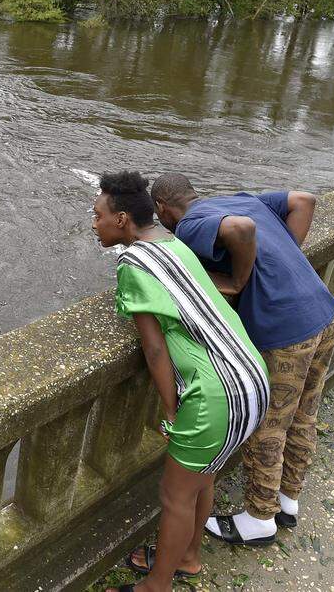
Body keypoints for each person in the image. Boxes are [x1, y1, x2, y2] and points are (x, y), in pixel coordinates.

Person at [93, 171, 269, 592]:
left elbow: (155, 351)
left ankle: (157, 585)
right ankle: (188, 557)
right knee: (202, 477)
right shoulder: (174, 244)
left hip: (214, 395)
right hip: (252, 377)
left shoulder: (133, 263)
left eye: (98, 215)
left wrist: (173, 409)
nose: (93, 223)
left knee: (175, 498)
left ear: (121, 220)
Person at [150, 173, 334, 547]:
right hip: (323, 312)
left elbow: (242, 230)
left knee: (268, 422)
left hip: (285, 329)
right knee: (304, 413)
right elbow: (304, 200)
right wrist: (283, 262)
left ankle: (259, 519)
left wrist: (241, 281)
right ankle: (287, 501)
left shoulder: (188, 224)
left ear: (162, 209)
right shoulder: (241, 197)